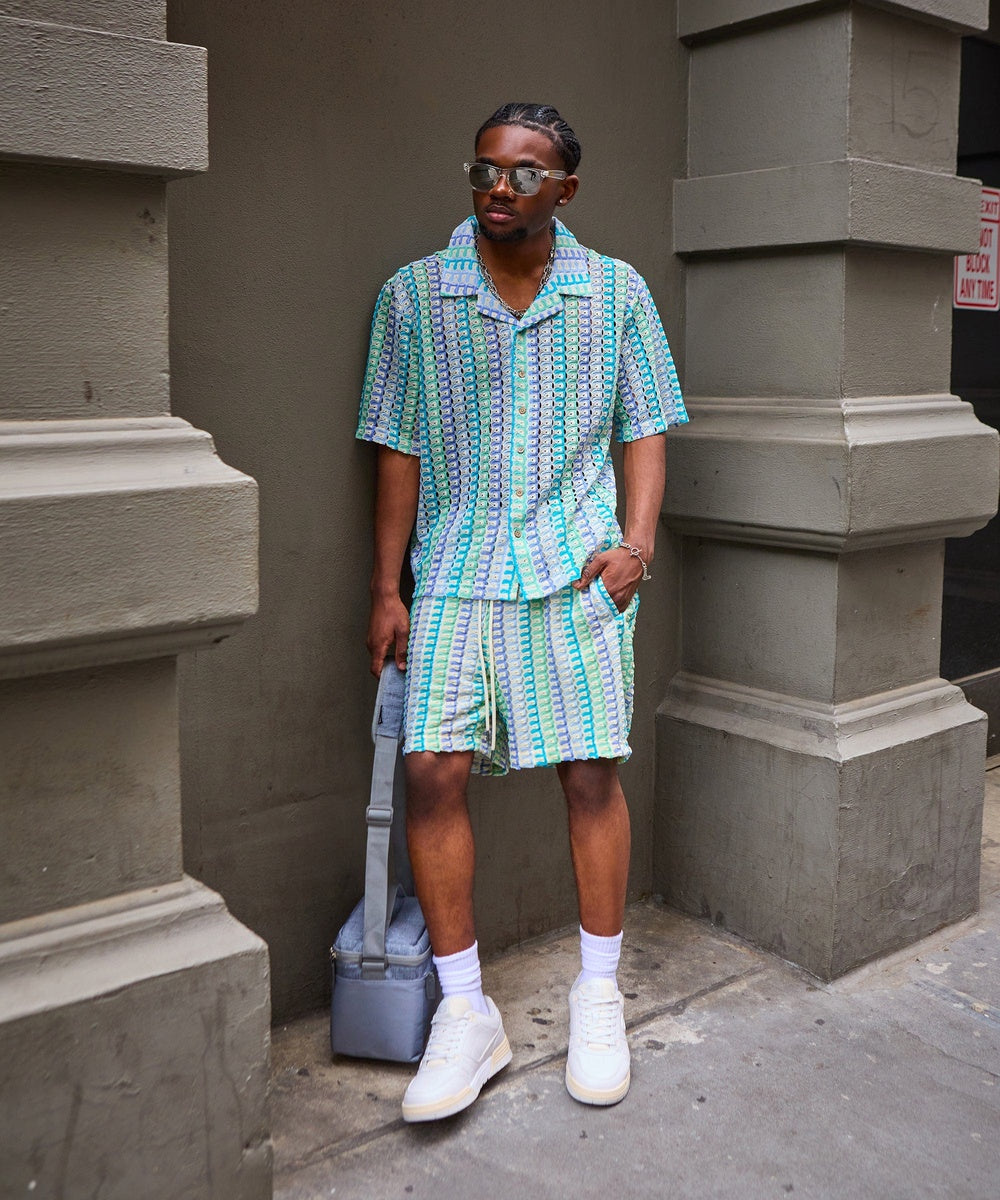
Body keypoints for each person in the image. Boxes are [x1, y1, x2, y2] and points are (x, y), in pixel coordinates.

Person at [357, 102, 687, 1123]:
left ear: (566, 189)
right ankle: (466, 1014)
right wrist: (386, 586)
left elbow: (646, 425)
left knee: (591, 774)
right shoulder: (414, 296)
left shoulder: (616, 292)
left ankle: (597, 995)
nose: (501, 187)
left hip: (574, 569)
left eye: (526, 173)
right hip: (455, 568)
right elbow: (396, 445)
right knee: (430, 769)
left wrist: (634, 547)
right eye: (487, 169)